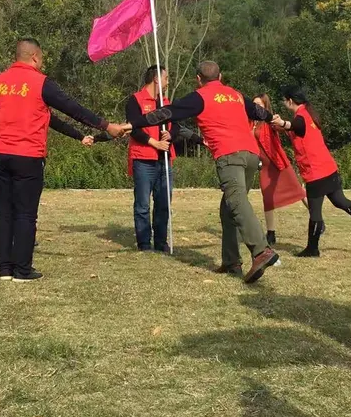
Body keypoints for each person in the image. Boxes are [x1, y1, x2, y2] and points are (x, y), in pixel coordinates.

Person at [0, 38, 128, 282]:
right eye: (41, 59)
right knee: (25, 214)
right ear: (35, 57)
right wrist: (107, 125)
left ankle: (4, 268)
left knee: (3, 212)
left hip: (0, 154)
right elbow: (73, 108)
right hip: (28, 156)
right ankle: (22, 270)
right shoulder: (41, 83)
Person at [131, 60, 278, 283]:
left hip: (230, 156)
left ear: (198, 79)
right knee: (228, 208)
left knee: (237, 202)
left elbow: (166, 113)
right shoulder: (235, 94)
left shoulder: (200, 96)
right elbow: (257, 110)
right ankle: (231, 262)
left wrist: (134, 124)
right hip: (250, 155)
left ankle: (261, 251)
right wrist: (271, 118)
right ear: (220, 77)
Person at [272, 89, 351, 256]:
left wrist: (282, 123)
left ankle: (312, 249)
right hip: (328, 168)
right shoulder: (309, 114)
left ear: (289, 101)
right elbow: (298, 130)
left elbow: (295, 125)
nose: (283, 103)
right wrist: (282, 127)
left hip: (316, 172)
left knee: (315, 211)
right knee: (340, 201)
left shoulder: (300, 117)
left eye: (284, 100)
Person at [125, 65, 202, 253]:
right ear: (157, 79)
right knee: (143, 204)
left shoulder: (166, 102)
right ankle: (144, 243)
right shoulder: (135, 100)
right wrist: (154, 143)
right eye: (166, 78)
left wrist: (170, 135)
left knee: (163, 203)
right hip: (144, 159)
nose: (168, 82)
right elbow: (133, 129)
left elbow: (176, 126)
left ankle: (161, 241)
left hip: (165, 159)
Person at [252, 92, 307, 247]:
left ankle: (317, 219)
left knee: (299, 192)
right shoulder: (250, 122)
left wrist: (280, 122)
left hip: (278, 162)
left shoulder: (270, 121)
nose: (256, 107)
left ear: (265, 106)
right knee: (267, 199)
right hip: (264, 167)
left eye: (260, 104)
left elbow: (282, 126)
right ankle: (271, 233)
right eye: (254, 104)